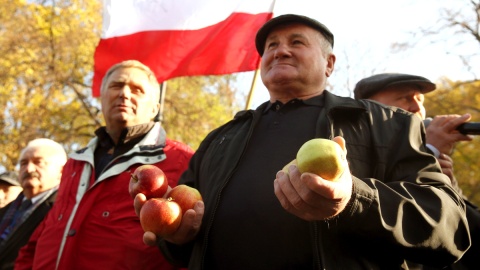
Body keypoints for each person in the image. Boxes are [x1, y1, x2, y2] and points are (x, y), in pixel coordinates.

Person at [134, 14, 470, 269]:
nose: (281, 51)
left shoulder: (387, 123)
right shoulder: (217, 140)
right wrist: (177, 234)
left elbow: (451, 224)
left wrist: (355, 199)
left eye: (297, 42)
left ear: (329, 63)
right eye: (271, 46)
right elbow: (181, 239)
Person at [15, 60, 194, 269]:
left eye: (137, 89)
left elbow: (192, 245)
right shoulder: (74, 163)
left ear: (155, 108)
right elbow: (47, 229)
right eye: (116, 86)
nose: (125, 94)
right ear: (101, 99)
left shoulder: (183, 160)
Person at [354, 73, 480, 270]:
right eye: (404, 98)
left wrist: (446, 181)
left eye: (420, 99)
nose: (417, 107)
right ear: (369, 106)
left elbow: (465, 235)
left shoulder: (437, 162)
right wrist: (428, 153)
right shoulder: (353, 154)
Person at [0, 138, 67, 270]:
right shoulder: (6, 210)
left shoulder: (64, 210)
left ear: (61, 171)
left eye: (38, 162)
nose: (29, 169)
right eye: (23, 163)